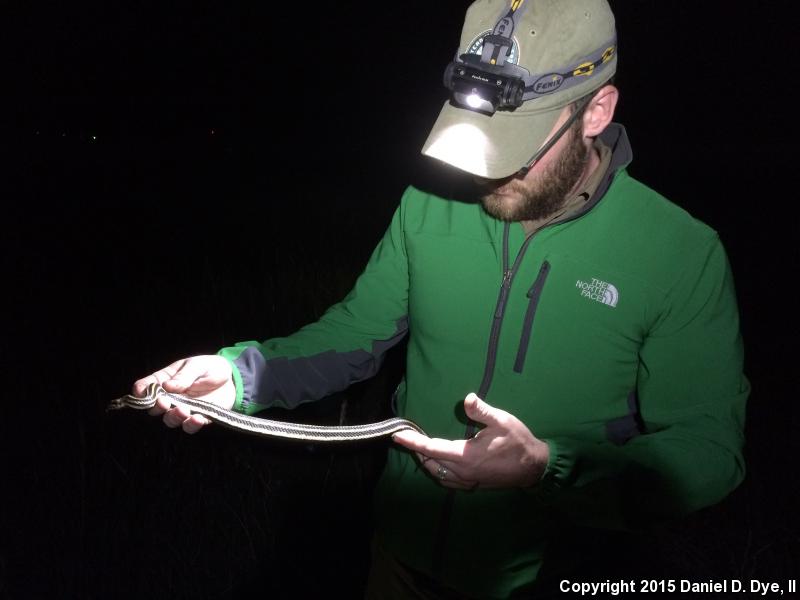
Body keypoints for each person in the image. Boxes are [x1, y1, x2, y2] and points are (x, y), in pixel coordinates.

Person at [132, 0, 749, 597]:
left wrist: (548, 467)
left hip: (555, 572)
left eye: (521, 146)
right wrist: (241, 378)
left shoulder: (680, 254)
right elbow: (355, 332)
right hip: (403, 556)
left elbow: (707, 450)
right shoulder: (429, 203)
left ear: (596, 111)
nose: (486, 173)